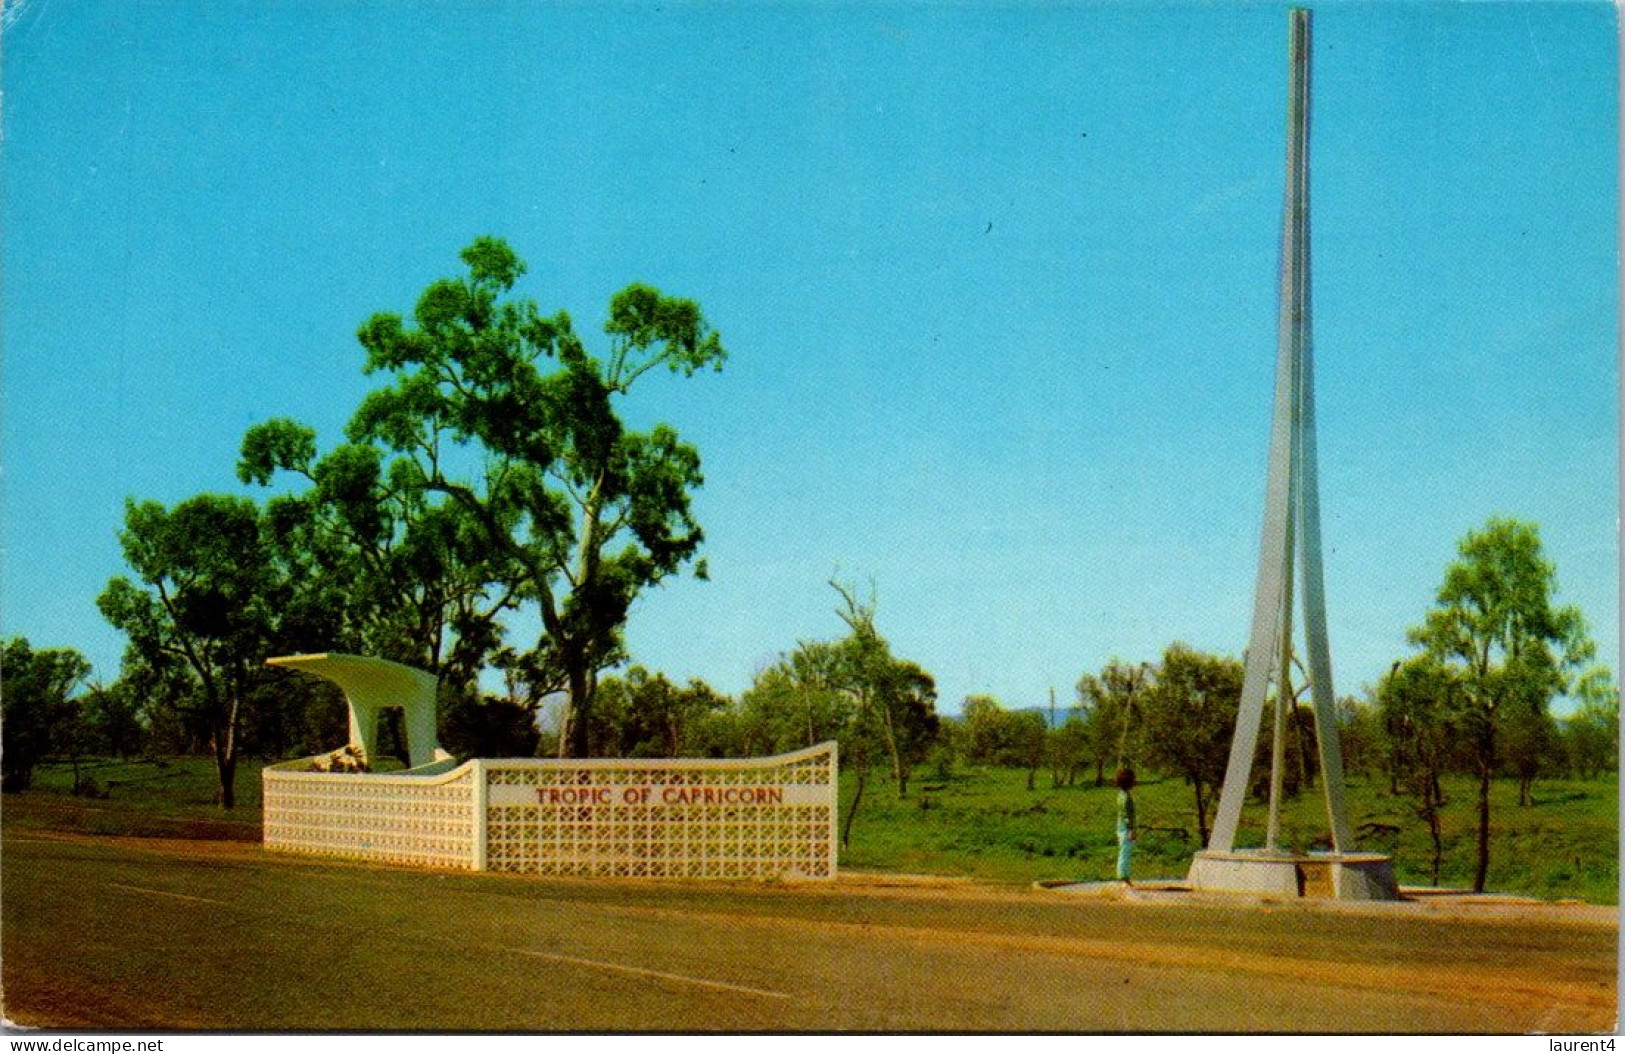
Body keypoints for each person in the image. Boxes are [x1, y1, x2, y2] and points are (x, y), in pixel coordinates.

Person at [1114, 766, 1137, 885]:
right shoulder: (1126, 797)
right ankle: (1123, 877)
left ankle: (1123, 875)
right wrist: (1131, 829)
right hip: (1125, 826)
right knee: (1125, 850)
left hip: (1121, 824)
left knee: (1124, 850)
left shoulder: (1121, 794)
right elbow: (1127, 814)